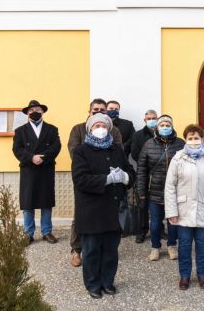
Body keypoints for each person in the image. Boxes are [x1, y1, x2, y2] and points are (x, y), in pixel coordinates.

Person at [72, 113, 135, 299]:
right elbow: (80, 179)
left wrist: (125, 177)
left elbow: (130, 170)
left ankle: (107, 282)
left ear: (109, 128)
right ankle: (93, 284)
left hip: (113, 209)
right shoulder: (81, 151)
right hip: (91, 210)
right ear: (90, 129)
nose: (100, 128)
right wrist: (106, 179)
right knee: (91, 250)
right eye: (96, 125)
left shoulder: (117, 149)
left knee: (110, 251)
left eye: (104, 125)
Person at [164, 124, 204, 290]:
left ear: (201, 138)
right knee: (183, 244)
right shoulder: (177, 158)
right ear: (186, 139)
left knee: (202, 244)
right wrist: (171, 212)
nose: (193, 141)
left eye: (196, 138)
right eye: (190, 138)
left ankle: (202, 274)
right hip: (183, 210)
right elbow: (170, 187)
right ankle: (184, 276)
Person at [67, 98, 123, 267]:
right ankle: (76, 249)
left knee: (108, 215)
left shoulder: (114, 131)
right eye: (95, 109)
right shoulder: (78, 129)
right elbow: (73, 150)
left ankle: (104, 248)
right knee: (81, 215)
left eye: (102, 110)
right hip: (87, 180)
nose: (99, 112)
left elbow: (118, 151)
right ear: (89, 111)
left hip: (110, 182)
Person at [12, 100, 62, 245]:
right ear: (27, 113)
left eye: (38, 110)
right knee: (28, 203)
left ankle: (47, 232)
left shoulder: (52, 129)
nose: (35, 112)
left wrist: (43, 158)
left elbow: (56, 147)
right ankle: (28, 233)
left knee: (46, 202)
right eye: (31, 110)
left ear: (43, 112)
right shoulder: (20, 131)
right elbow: (17, 149)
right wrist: (31, 158)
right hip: (29, 169)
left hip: (46, 168)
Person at [137, 115, 185, 261]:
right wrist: (141, 190)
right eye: (162, 125)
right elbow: (142, 169)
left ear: (172, 126)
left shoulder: (180, 143)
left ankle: (171, 246)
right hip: (155, 190)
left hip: (175, 190)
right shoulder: (148, 144)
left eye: (167, 124)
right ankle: (155, 247)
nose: (165, 127)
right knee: (156, 222)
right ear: (157, 127)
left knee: (173, 221)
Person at [130, 109, 158, 244]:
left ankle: (160, 229)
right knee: (142, 204)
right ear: (145, 120)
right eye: (149, 118)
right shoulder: (137, 135)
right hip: (143, 173)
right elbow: (134, 153)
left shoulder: (162, 133)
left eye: (154, 118)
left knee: (160, 203)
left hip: (159, 174)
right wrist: (147, 163)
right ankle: (141, 231)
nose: (152, 120)